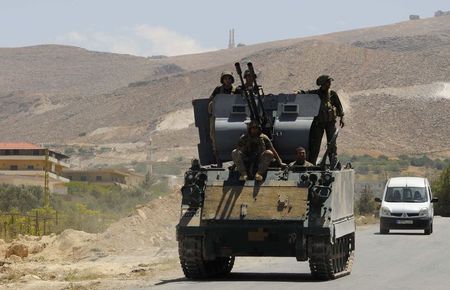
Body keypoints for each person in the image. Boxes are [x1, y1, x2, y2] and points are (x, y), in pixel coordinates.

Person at [306, 75, 345, 165]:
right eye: (328, 82)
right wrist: (298, 92)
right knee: (315, 144)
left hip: (330, 123)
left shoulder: (332, 94)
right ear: (323, 83)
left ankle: (333, 162)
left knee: (332, 143)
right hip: (318, 123)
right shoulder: (315, 93)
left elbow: (339, 107)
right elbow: (306, 93)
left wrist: (342, 118)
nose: (330, 84)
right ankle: (312, 163)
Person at [208, 72, 236, 165]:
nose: (227, 80)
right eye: (225, 78)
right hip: (219, 117)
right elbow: (211, 100)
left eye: (229, 78)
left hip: (233, 117)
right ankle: (218, 160)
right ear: (222, 80)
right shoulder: (218, 90)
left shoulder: (236, 90)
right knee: (215, 139)